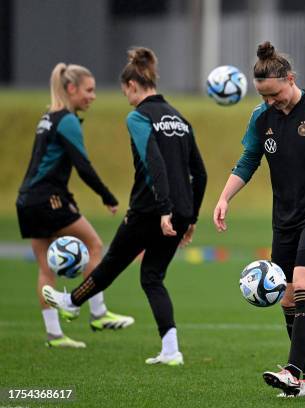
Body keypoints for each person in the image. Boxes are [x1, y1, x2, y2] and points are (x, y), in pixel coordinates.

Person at [41, 47, 207, 365]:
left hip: (152, 210)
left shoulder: (138, 116)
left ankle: (71, 302)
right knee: (152, 276)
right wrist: (191, 216)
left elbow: (153, 162)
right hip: (180, 211)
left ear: (132, 85)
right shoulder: (180, 118)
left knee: (113, 261)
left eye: (124, 92)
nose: (126, 98)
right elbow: (199, 172)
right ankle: (171, 350)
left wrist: (163, 209)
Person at [213, 41, 305, 397]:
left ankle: (292, 371)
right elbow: (248, 161)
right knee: (289, 300)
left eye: (274, 94)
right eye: (263, 97)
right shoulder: (262, 117)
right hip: (285, 221)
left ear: (289, 79)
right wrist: (224, 197)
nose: (270, 102)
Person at [16, 63, 134, 348]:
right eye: (89, 90)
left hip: (26, 199)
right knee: (94, 244)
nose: (93, 96)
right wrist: (107, 196)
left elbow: (44, 164)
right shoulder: (67, 120)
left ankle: (55, 335)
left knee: (45, 268)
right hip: (48, 200)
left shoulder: (47, 117)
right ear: (71, 89)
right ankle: (98, 313)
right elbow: (82, 165)